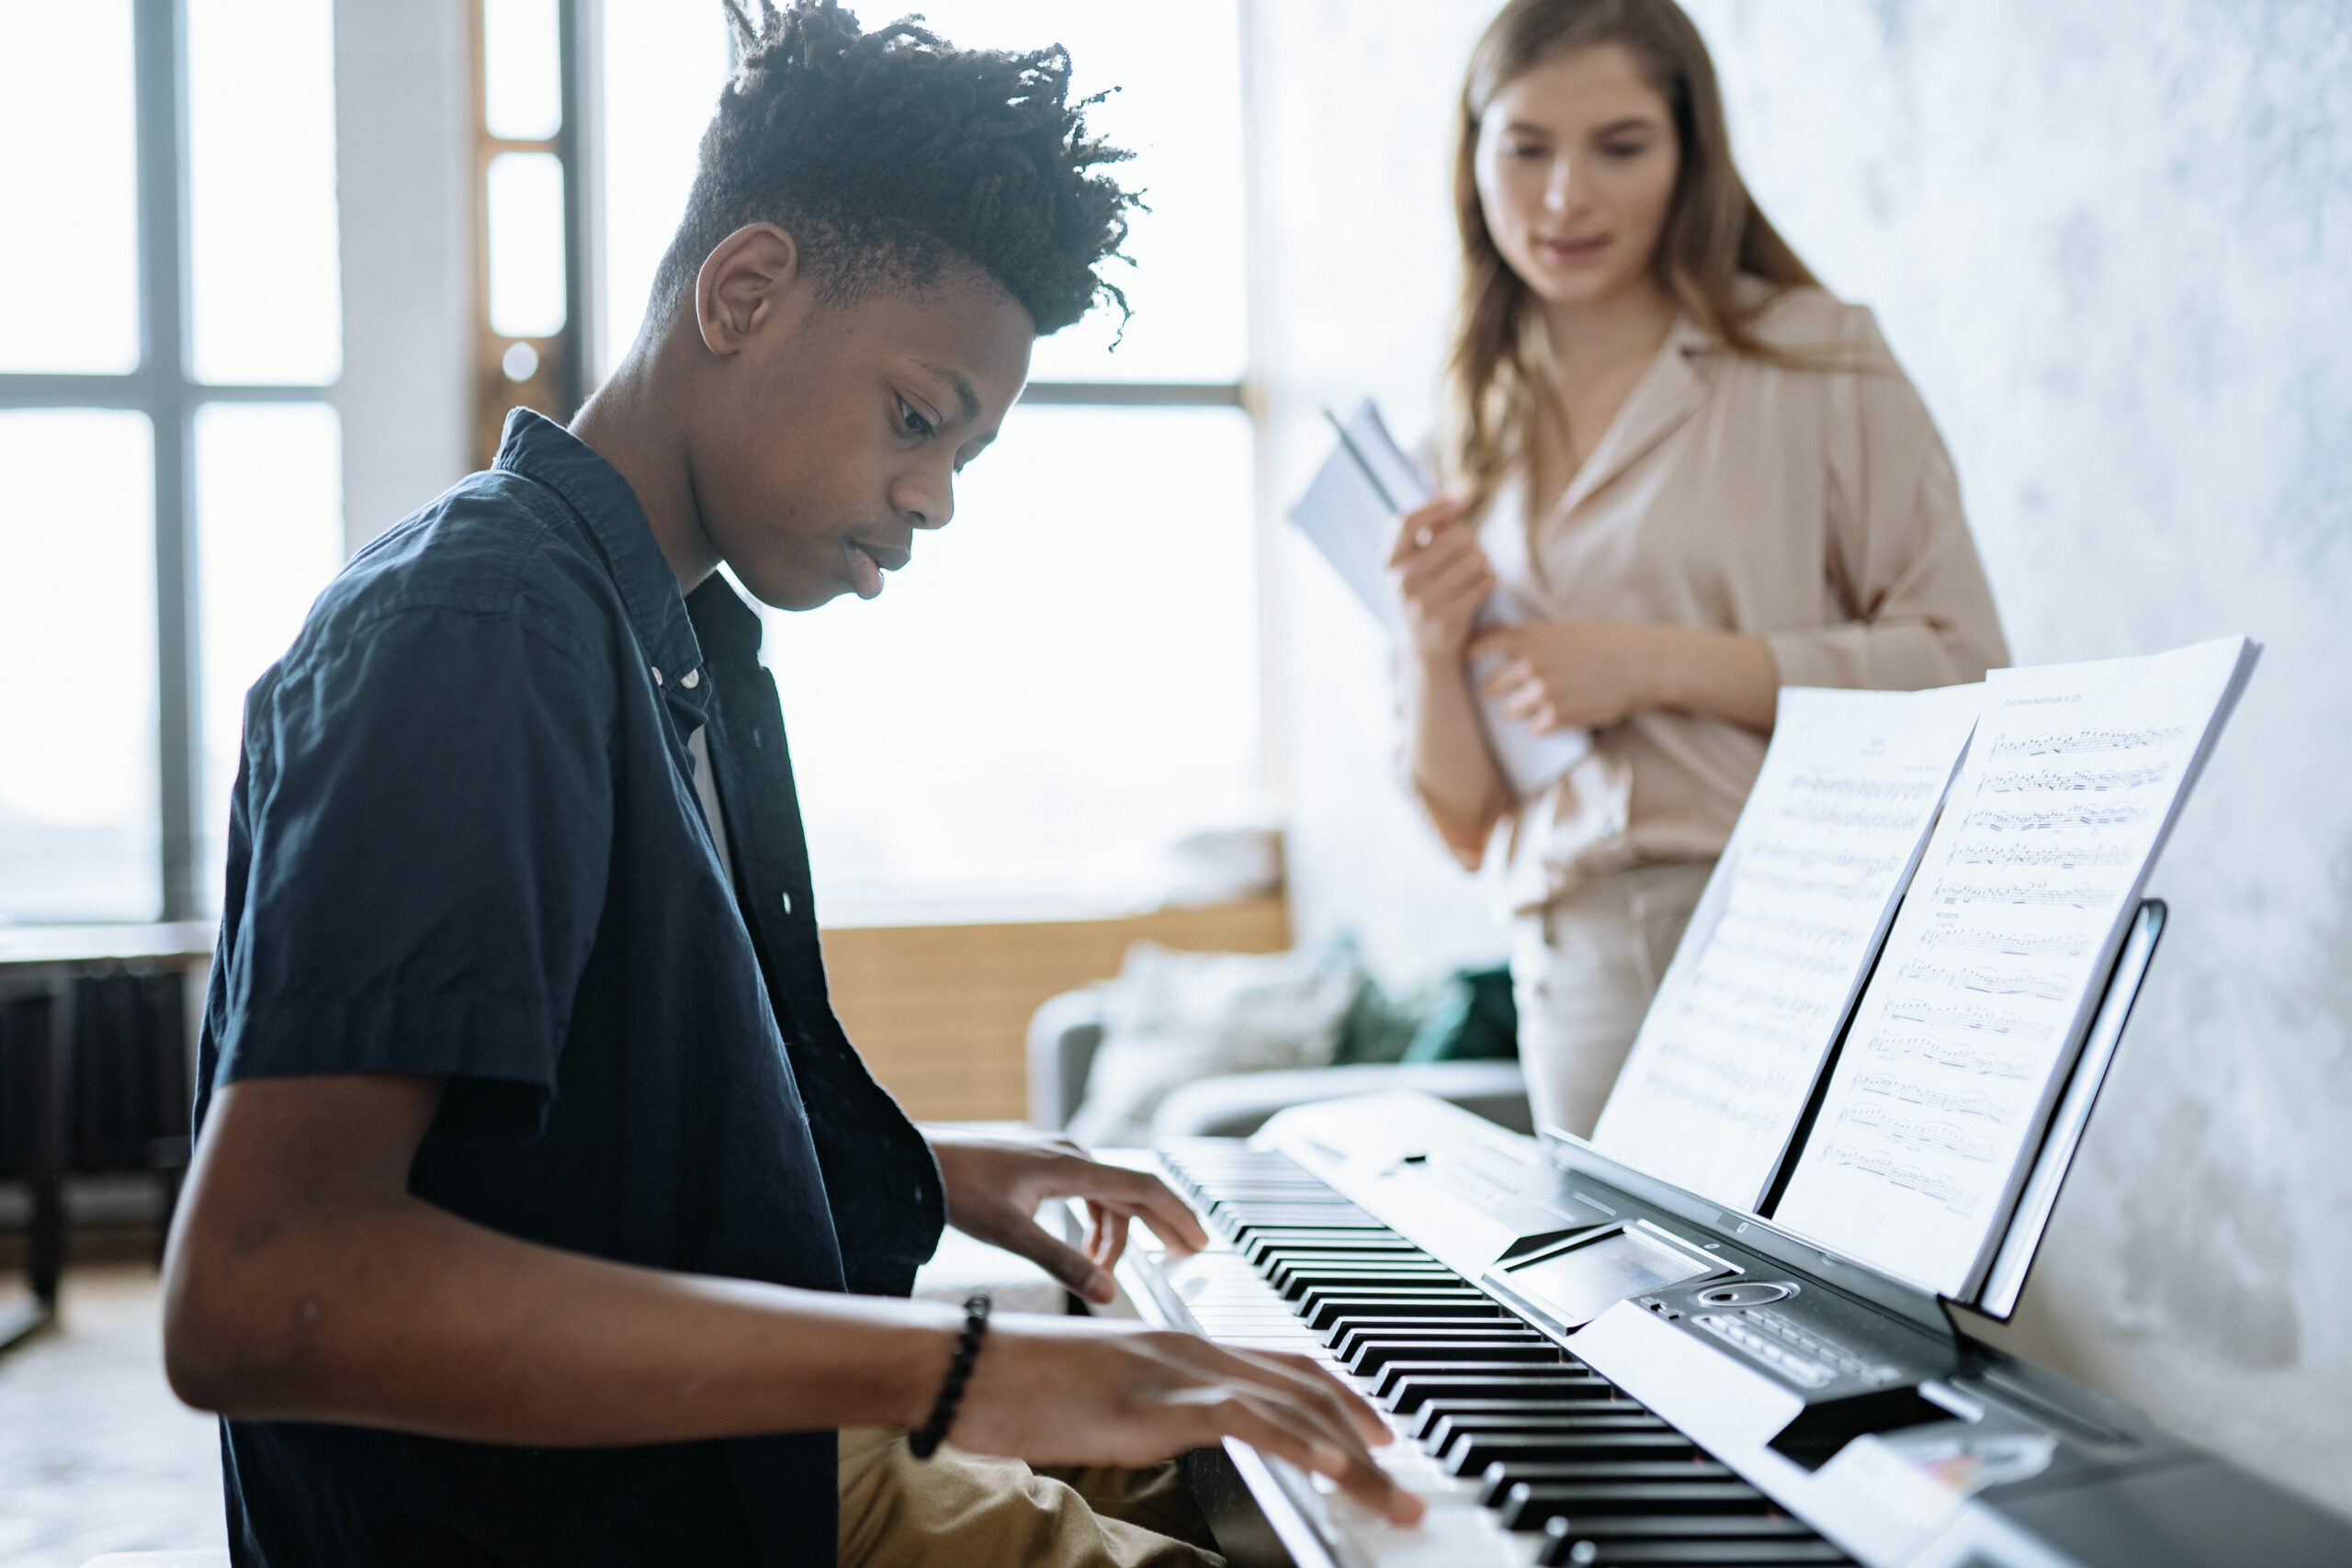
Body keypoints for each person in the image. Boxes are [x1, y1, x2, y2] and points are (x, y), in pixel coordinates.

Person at [160, 4, 1422, 1563]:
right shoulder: (479, 629)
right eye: (917, 419)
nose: (938, 499)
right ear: (745, 291)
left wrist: (934, 1172)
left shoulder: (682, 647)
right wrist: (974, 1365)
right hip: (621, 1514)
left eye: (968, 452)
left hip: (731, 1464)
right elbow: (263, 1287)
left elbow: (580, 1159)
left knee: (1315, 1487)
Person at [1388, 0, 2008, 1139]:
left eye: (1618, 146)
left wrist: (1656, 667)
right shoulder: (1457, 435)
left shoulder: (1821, 360)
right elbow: (1469, 824)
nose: (1566, 195)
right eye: (1526, 148)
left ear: (1687, 154)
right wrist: (1432, 655)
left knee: (1834, 1314)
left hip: (1806, 926)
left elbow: (1962, 669)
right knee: (1618, 1311)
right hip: (1575, 967)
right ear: (1473, 156)